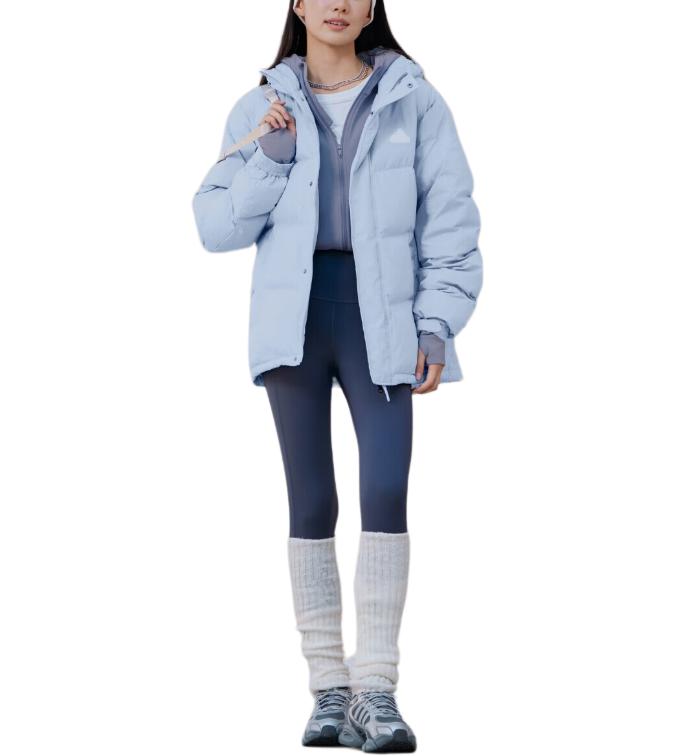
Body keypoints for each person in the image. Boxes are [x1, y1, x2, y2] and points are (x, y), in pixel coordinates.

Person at [191, 0, 483, 750]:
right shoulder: (260, 107)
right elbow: (215, 228)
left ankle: (375, 689)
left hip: (380, 316)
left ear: (374, 4)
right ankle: (329, 689)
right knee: (311, 498)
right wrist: (271, 160)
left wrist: (436, 322)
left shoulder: (414, 99)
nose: (337, 3)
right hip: (293, 320)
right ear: (296, 3)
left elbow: (450, 216)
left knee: (385, 488)